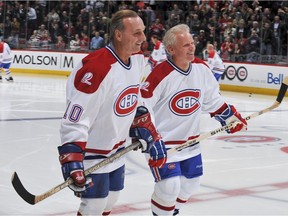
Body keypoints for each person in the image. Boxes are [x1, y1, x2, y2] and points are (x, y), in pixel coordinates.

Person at [58, 9, 167, 216]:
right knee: (94, 206)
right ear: (118, 35)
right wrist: (72, 157)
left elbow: (134, 99)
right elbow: (76, 117)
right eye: (136, 33)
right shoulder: (97, 68)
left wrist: (144, 124)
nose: (143, 38)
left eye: (143, 32)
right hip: (92, 152)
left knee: (111, 200)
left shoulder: (136, 60)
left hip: (117, 150)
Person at [140, 24, 247, 216]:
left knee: (190, 184)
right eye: (185, 45)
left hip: (190, 141)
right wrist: (151, 137)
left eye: (192, 43)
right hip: (163, 144)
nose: (192, 48)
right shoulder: (159, 74)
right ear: (171, 49)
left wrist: (229, 117)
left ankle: (173, 212)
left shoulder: (201, 68)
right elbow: (142, 107)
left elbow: (212, 100)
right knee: (169, 187)